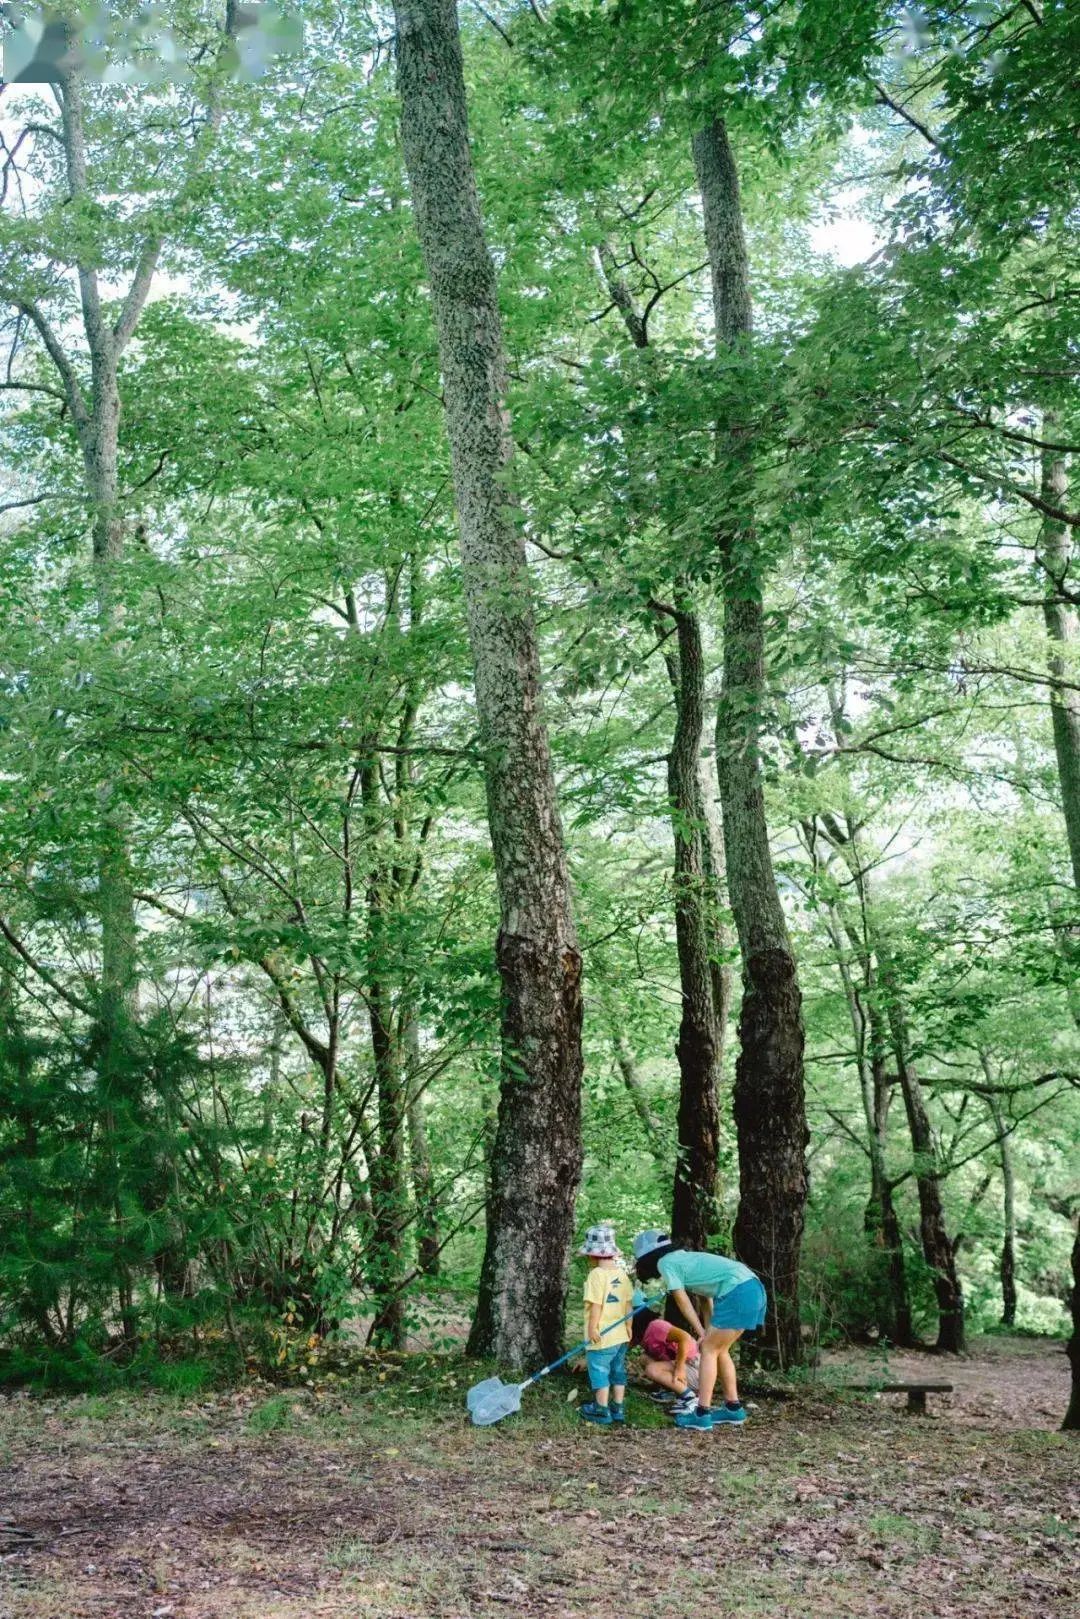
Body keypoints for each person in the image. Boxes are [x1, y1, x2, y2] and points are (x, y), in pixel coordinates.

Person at [631, 1229, 767, 1431]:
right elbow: (705, 1297)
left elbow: (682, 1300)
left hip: (737, 1292)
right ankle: (733, 1408)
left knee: (709, 1350)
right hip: (752, 1288)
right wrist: (706, 1331)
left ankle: (702, 1413)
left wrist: (702, 1334)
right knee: (719, 1350)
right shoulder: (685, 1260)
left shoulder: (666, 1263)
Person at [579, 1223, 633, 1426]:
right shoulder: (622, 1274)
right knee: (618, 1369)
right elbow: (628, 1304)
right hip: (620, 1335)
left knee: (599, 1370)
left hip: (602, 1336)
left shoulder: (596, 1275)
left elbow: (596, 1305)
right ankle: (617, 1407)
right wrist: (629, 1326)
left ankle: (601, 1409)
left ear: (591, 1255)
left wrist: (593, 1328)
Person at [631, 1304, 699, 1417]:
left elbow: (685, 1338)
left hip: (693, 1366)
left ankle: (690, 1398)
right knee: (644, 1358)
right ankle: (672, 1392)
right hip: (683, 1369)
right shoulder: (644, 1337)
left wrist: (680, 1368)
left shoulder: (656, 1326)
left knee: (652, 1369)